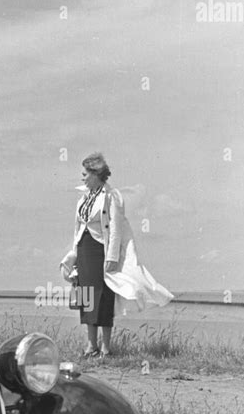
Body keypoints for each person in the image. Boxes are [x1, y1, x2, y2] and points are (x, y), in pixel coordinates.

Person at [60, 152, 174, 358]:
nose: (82, 177)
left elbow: (115, 229)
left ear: (96, 174)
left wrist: (112, 257)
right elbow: (77, 230)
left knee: (103, 296)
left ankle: (105, 347)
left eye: (85, 173)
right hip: (84, 250)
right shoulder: (83, 198)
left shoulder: (111, 197)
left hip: (100, 251)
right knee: (86, 297)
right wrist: (71, 257)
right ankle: (90, 345)